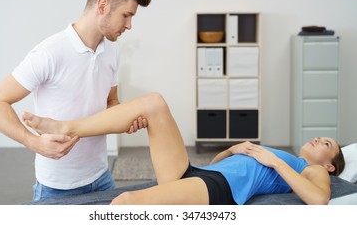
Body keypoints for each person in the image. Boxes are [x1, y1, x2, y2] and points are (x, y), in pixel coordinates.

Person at [0, 0, 151, 200]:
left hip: (101, 176)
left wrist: (126, 117)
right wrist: (34, 143)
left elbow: (111, 102)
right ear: (102, 7)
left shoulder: (112, 49)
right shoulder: (50, 52)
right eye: (126, 15)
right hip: (56, 187)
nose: (129, 25)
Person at [21, 92, 346, 205]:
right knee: (153, 104)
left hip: (218, 191)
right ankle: (68, 127)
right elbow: (217, 161)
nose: (319, 140)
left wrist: (273, 160)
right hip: (200, 173)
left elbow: (318, 199)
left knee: (128, 201)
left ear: (330, 165)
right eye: (321, 137)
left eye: (326, 144)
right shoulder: (288, 160)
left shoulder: (312, 170)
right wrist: (234, 149)